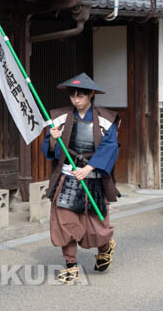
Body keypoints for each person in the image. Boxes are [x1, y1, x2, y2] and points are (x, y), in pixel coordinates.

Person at [41, 73, 119, 284]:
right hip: (67, 177)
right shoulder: (59, 118)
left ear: (91, 95)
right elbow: (50, 150)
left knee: (96, 227)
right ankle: (71, 265)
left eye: (81, 95)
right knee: (64, 222)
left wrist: (90, 168)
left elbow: (110, 148)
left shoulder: (106, 119)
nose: (76, 99)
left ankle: (105, 247)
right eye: (73, 95)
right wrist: (53, 140)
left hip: (93, 177)